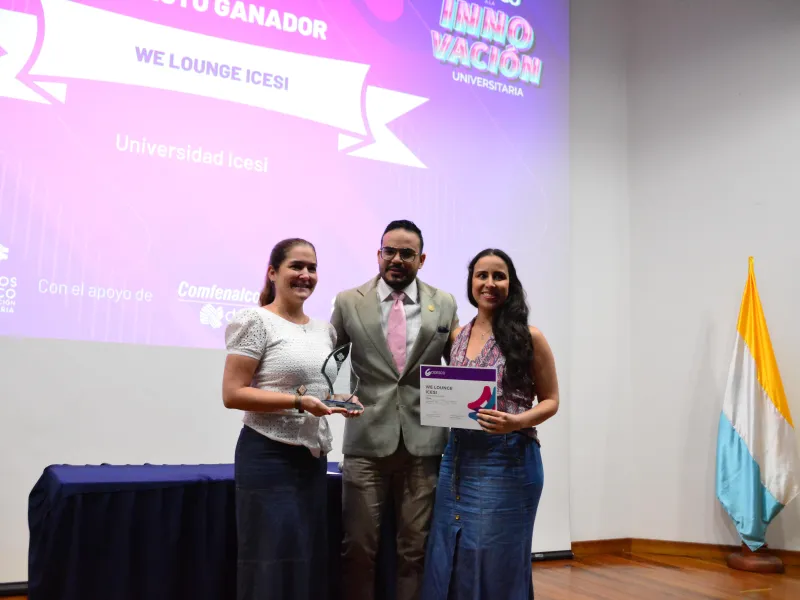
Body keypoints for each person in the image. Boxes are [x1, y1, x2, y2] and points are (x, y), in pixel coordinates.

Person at [221, 238, 362, 600]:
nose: (305, 275)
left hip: (311, 460)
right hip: (267, 455)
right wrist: (299, 403)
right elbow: (233, 394)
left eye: (312, 268)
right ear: (273, 272)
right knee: (267, 559)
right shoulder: (255, 320)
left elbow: (315, 390)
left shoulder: (325, 330)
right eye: (296, 266)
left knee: (305, 558)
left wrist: (339, 399)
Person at [420, 248, 560, 600]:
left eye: (499, 276)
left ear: (511, 284)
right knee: (450, 550)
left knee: (494, 558)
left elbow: (551, 401)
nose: (490, 283)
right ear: (471, 282)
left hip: (508, 458)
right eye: (482, 275)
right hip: (457, 458)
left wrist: (515, 422)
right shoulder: (457, 337)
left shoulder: (530, 337)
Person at [331, 220, 460, 600]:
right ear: (379, 254)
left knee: (414, 551)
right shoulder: (348, 301)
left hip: (424, 446)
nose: (397, 259)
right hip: (365, 443)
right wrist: (332, 399)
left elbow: (458, 366)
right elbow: (327, 362)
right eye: (390, 251)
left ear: (421, 259)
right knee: (358, 549)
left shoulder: (445, 302)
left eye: (407, 253)